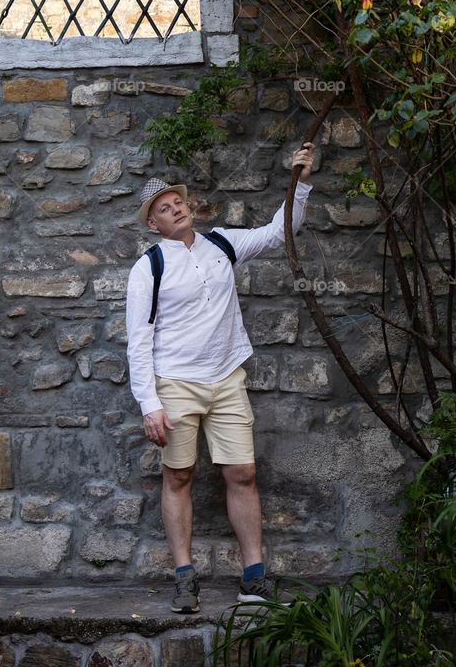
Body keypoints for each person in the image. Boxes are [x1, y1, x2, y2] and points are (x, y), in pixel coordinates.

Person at [125, 142, 316, 613]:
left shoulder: (223, 244)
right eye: (165, 209)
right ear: (154, 224)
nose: (177, 210)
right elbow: (139, 339)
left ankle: (254, 578)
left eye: (179, 203)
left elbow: (280, 229)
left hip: (227, 378)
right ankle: (184, 578)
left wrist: (301, 180)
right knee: (179, 476)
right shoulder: (148, 267)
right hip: (175, 384)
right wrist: (150, 403)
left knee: (243, 473)